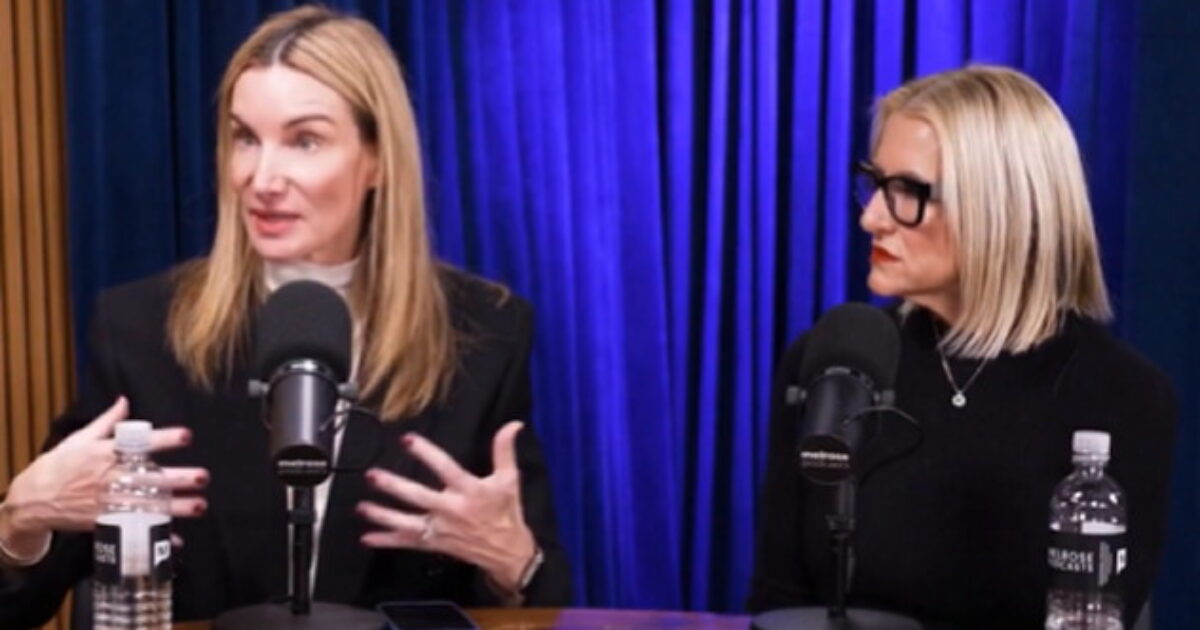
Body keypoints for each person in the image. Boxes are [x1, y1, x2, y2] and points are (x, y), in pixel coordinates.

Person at [0, 6, 570, 626]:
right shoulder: (141, 330)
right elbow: (21, 600)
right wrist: (19, 522)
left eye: (304, 140)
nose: (262, 178)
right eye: (246, 138)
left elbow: (543, 600)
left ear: (377, 159)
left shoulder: (484, 335)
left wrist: (515, 562)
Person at [748, 65, 1176, 629]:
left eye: (906, 192)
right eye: (874, 183)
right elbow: (779, 605)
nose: (871, 217)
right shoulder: (833, 363)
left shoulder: (1125, 396)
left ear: (1001, 209)